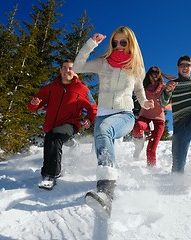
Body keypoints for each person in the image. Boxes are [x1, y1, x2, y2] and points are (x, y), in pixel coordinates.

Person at [73, 26, 154, 217]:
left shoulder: (136, 68)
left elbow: (139, 91)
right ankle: (107, 191)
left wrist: (145, 102)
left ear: (130, 44)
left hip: (125, 115)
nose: (118, 46)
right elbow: (77, 67)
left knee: (105, 130)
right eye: (115, 42)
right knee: (102, 133)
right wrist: (91, 43)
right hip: (102, 115)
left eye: (123, 42)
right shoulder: (102, 63)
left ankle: (106, 190)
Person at [27, 60, 97, 189]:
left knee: (54, 137)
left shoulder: (82, 89)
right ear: (60, 70)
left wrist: (89, 119)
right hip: (51, 126)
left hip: (71, 124)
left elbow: (93, 108)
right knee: (51, 138)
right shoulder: (50, 88)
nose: (67, 70)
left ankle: (51, 175)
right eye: (64, 68)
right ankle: (49, 169)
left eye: (70, 68)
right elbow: (33, 106)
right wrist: (34, 103)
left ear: (75, 72)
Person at [132, 66, 173, 166]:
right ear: (148, 74)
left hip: (158, 121)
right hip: (144, 118)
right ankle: (139, 144)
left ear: (159, 74)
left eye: (156, 72)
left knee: (151, 149)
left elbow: (171, 105)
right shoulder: (143, 87)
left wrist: (165, 105)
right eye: (152, 72)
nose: (154, 74)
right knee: (137, 127)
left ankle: (151, 169)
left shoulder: (164, 88)